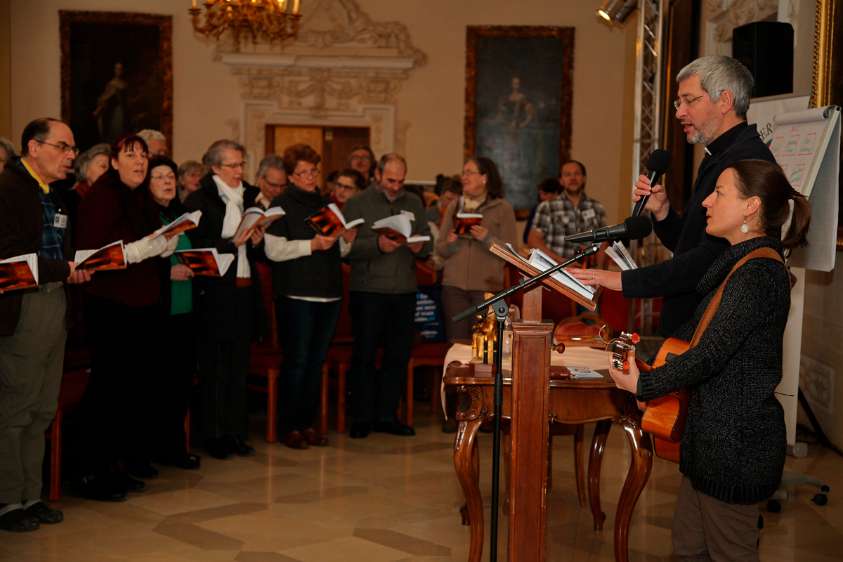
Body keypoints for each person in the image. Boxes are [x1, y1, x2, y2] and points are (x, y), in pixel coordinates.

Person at [605, 159, 810, 560]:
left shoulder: (758, 273)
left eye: (720, 193)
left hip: (735, 449)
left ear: (751, 207)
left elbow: (709, 354)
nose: (706, 203)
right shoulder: (737, 261)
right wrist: (645, 364)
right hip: (711, 445)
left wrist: (644, 385)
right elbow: (694, 338)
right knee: (687, 550)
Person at [569, 56, 776, 336]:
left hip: (711, 333)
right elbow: (690, 245)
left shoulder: (746, 161)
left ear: (725, 101)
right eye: (679, 103)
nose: (680, 112)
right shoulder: (717, 156)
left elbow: (709, 261)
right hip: (690, 324)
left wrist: (623, 281)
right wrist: (663, 212)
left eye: (690, 100)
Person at [74, 134, 178, 501]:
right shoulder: (103, 197)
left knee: (131, 390)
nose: (139, 162)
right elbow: (92, 256)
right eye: (130, 155)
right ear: (114, 162)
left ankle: (116, 465)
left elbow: (146, 244)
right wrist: (144, 248)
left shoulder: (139, 198)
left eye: (143, 156)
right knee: (109, 390)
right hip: (110, 305)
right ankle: (91, 471)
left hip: (140, 303)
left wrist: (165, 243)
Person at [0, 118, 91, 532]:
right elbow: (9, 262)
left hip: (56, 300)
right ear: (34, 147)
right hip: (23, 306)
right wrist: (65, 268)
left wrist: (79, 267)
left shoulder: (54, 195)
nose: (71, 155)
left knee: (41, 409)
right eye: (63, 146)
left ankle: (31, 495)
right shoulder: (7, 190)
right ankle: (7, 500)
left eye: (73, 149)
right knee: (16, 409)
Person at [264, 144, 357, 449]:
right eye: (302, 172)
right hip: (296, 293)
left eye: (313, 171)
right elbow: (273, 251)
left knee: (317, 362)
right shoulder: (279, 205)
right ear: (290, 176)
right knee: (298, 361)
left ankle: (307, 424)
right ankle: (288, 426)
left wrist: (346, 241)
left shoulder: (326, 205)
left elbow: (339, 251)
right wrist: (311, 246)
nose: (309, 176)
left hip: (329, 293)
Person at [342, 153, 431, 438]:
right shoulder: (357, 203)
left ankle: (387, 415)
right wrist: (377, 245)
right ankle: (361, 417)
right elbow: (346, 250)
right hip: (367, 289)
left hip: (404, 289)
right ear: (378, 175)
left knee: (397, 356)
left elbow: (425, 241)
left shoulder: (414, 202)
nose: (395, 186)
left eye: (401, 181)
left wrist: (420, 248)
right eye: (390, 180)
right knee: (365, 355)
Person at [184, 139, 263, 460]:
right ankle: (213, 434)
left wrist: (255, 239)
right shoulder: (200, 200)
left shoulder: (249, 196)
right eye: (232, 165)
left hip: (244, 289)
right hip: (215, 293)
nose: (239, 171)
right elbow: (196, 246)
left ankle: (235, 432)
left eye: (242, 164)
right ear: (215, 168)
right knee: (215, 366)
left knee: (238, 366)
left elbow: (252, 245)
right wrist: (233, 242)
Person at [146, 156, 200, 470]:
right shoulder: (144, 215)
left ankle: (174, 448)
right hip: (158, 310)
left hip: (186, 308)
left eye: (170, 176)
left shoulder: (181, 214)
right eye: (159, 176)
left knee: (180, 384)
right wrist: (167, 273)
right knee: (157, 385)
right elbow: (138, 261)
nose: (167, 181)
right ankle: (151, 450)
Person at [436, 157, 517, 341]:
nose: (464, 177)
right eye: (463, 172)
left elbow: (512, 254)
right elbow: (440, 249)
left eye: (469, 172)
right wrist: (452, 243)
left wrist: (486, 239)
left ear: (484, 178)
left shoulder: (502, 208)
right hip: (453, 289)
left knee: (486, 349)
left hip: (487, 290)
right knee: (457, 346)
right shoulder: (454, 206)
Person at [527, 160, 607, 263]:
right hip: (556, 272)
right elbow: (533, 240)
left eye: (577, 174)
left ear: (584, 179)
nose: (573, 178)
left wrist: (600, 271)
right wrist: (561, 262)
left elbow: (603, 243)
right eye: (567, 174)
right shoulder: (547, 207)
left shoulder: (597, 208)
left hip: (588, 273)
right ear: (561, 180)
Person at [522, 177, 560, 244]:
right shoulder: (536, 208)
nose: (542, 197)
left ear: (556, 193)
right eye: (540, 194)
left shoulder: (565, 209)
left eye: (545, 194)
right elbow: (526, 237)